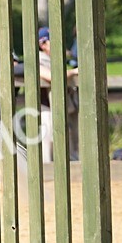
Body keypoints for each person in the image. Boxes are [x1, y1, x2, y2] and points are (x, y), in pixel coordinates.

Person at [37, 27, 78, 163]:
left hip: (61, 109)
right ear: (42, 44)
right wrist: (72, 73)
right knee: (48, 144)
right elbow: (51, 76)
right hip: (46, 109)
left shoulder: (55, 60)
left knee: (67, 143)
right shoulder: (39, 59)